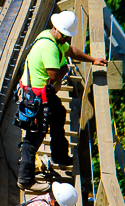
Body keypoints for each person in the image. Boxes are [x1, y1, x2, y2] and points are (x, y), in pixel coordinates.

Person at [17, 11, 108, 192]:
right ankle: (25, 179)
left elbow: (70, 51)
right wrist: (66, 68)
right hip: (36, 98)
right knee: (34, 137)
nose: (67, 39)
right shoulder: (49, 47)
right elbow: (55, 75)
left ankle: (59, 155)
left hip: (42, 93)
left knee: (58, 114)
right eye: (66, 35)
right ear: (58, 30)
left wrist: (92, 60)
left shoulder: (51, 37)